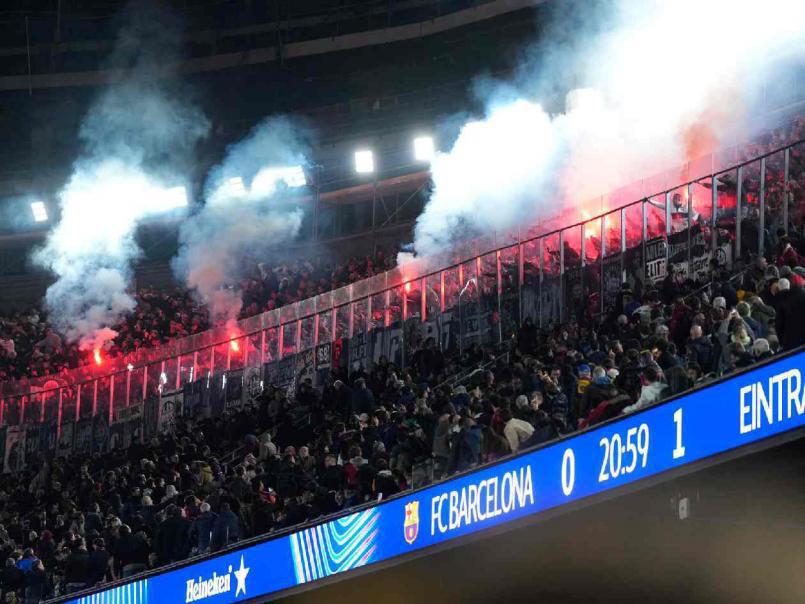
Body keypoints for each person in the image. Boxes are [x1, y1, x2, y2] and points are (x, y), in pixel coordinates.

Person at [774, 278, 805, 350]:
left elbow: (779, 324)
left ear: (778, 288)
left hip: (792, 340)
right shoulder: (801, 295)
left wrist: (782, 342)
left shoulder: (781, 302)